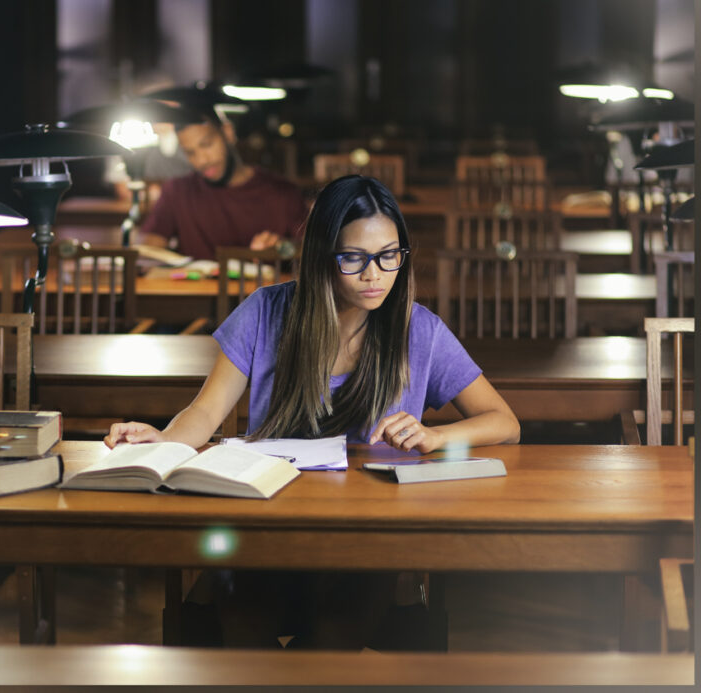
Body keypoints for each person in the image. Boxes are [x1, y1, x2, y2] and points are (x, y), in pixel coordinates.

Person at [106, 175, 520, 648]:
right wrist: (165, 440)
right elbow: (206, 412)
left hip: (368, 536)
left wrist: (435, 436)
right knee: (245, 619)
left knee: (337, 627)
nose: (374, 275)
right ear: (323, 255)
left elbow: (505, 423)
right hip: (268, 523)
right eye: (353, 258)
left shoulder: (417, 329)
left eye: (389, 256)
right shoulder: (265, 312)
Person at [138, 107, 309, 261]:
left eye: (207, 145)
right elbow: (149, 246)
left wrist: (280, 249)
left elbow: (312, 251)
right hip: (201, 293)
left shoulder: (282, 192)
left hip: (264, 294)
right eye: (190, 153)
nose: (201, 160)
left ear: (228, 133)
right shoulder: (178, 191)